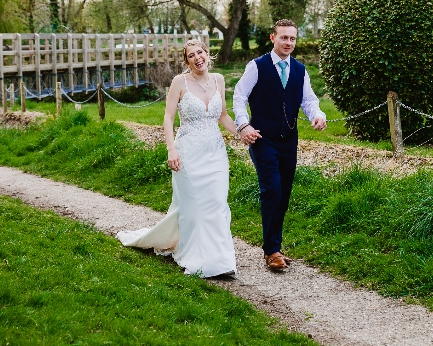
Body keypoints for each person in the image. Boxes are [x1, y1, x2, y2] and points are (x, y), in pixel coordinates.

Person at [117, 39, 238, 277]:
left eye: (200, 52)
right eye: (191, 55)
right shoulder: (179, 82)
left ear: (207, 54)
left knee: (217, 204)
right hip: (188, 153)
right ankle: (197, 257)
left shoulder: (219, 80)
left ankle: (221, 262)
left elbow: (223, 116)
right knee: (194, 207)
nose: (197, 58)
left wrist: (243, 132)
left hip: (215, 152)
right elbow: (168, 118)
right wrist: (171, 150)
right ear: (187, 61)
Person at [233, 19, 326, 272]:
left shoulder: (299, 70)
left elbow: (308, 100)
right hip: (262, 138)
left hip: (289, 140)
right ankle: (271, 251)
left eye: (292, 39)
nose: (288, 43)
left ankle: (274, 246)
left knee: (283, 193)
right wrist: (243, 125)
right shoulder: (257, 66)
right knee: (272, 189)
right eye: (284, 38)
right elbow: (239, 97)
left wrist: (318, 116)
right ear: (273, 38)